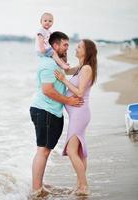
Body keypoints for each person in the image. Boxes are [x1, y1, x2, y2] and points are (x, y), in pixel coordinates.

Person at [29, 31, 84, 199]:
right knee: (43, 151)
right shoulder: (48, 65)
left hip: (51, 111)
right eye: (65, 45)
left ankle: (38, 186)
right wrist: (69, 101)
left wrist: (83, 64)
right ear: (55, 46)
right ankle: (36, 190)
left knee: (45, 150)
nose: (68, 48)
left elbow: (68, 72)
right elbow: (47, 90)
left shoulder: (56, 62)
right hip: (44, 110)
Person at [54, 39, 98, 196]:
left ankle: (84, 186)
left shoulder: (86, 68)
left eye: (79, 47)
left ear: (86, 51)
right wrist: (58, 56)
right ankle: (80, 185)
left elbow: (79, 92)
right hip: (77, 114)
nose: (76, 48)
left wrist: (63, 81)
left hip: (80, 114)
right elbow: (65, 70)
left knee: (72, 151)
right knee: (78, 152)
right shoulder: (80, 67)